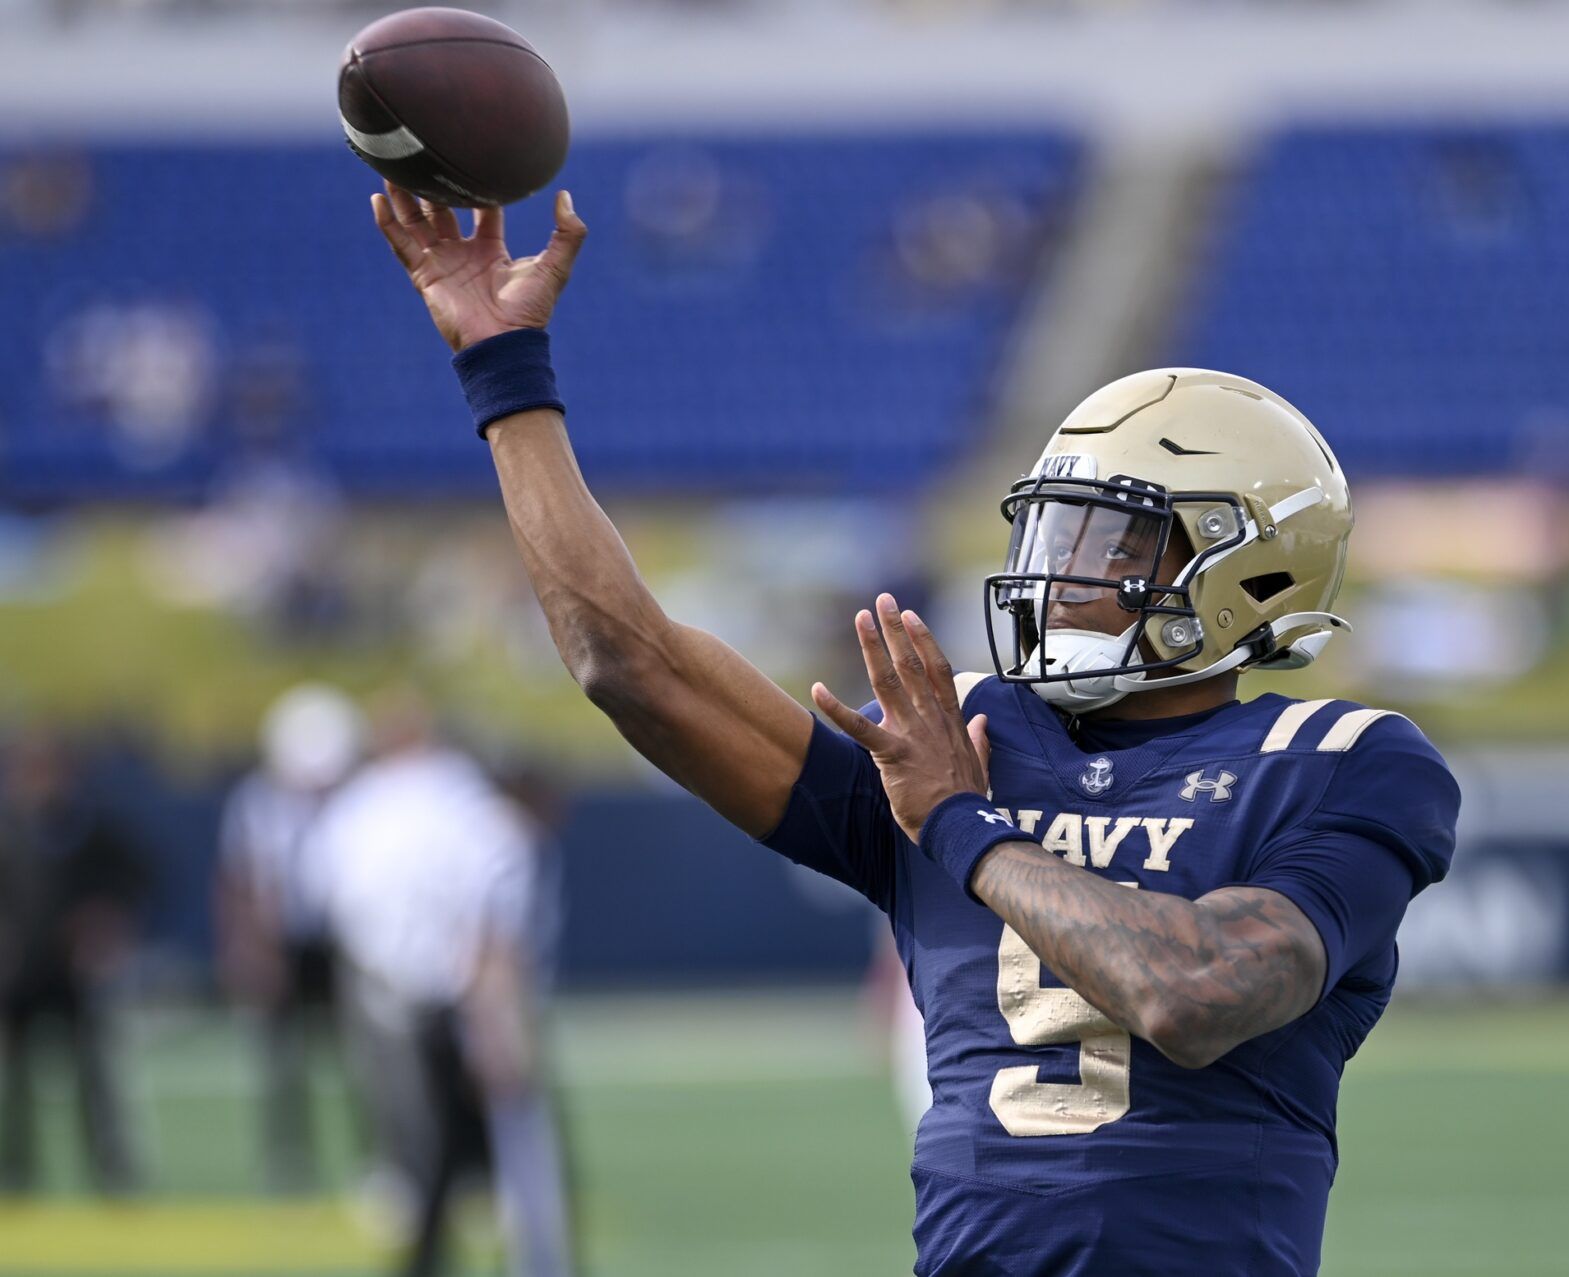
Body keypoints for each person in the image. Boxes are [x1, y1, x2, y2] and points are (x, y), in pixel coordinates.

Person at [369, 182, 1458, 1276]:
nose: (1058, 575)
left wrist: (962, 824)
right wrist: (505, 371)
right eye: (1057, 532)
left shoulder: (1334, 763)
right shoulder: (966, 729)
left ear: (1250, 568)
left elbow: (1200, 991)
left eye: (1114, 544)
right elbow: (631, 663)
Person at [314, 692, 573, 1277]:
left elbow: (330, 903)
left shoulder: (359, 807)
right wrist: (497, 1026)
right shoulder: (468, 809)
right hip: (465, 996)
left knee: (423, 1154)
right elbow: (491, 930)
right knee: (514, 1150)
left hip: (384, 991)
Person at [216, 682, 364, 1192]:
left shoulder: (360, 803)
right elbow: (241, 879)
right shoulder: (257, 801)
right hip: (283, 945)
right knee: (282, 1062)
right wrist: (250, 948)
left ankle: (373, 1157)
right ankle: (288, 1159)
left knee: (360, 1059)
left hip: (343, 946)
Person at [0, 731, 148, 1197]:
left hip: (76, 976)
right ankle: (16, 1171)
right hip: (22, 975)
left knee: (92, 1077)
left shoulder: (92, 830)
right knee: (15, 1080)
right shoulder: (12, 832)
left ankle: (109, 1170)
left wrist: (107, 927)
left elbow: (136, 880)